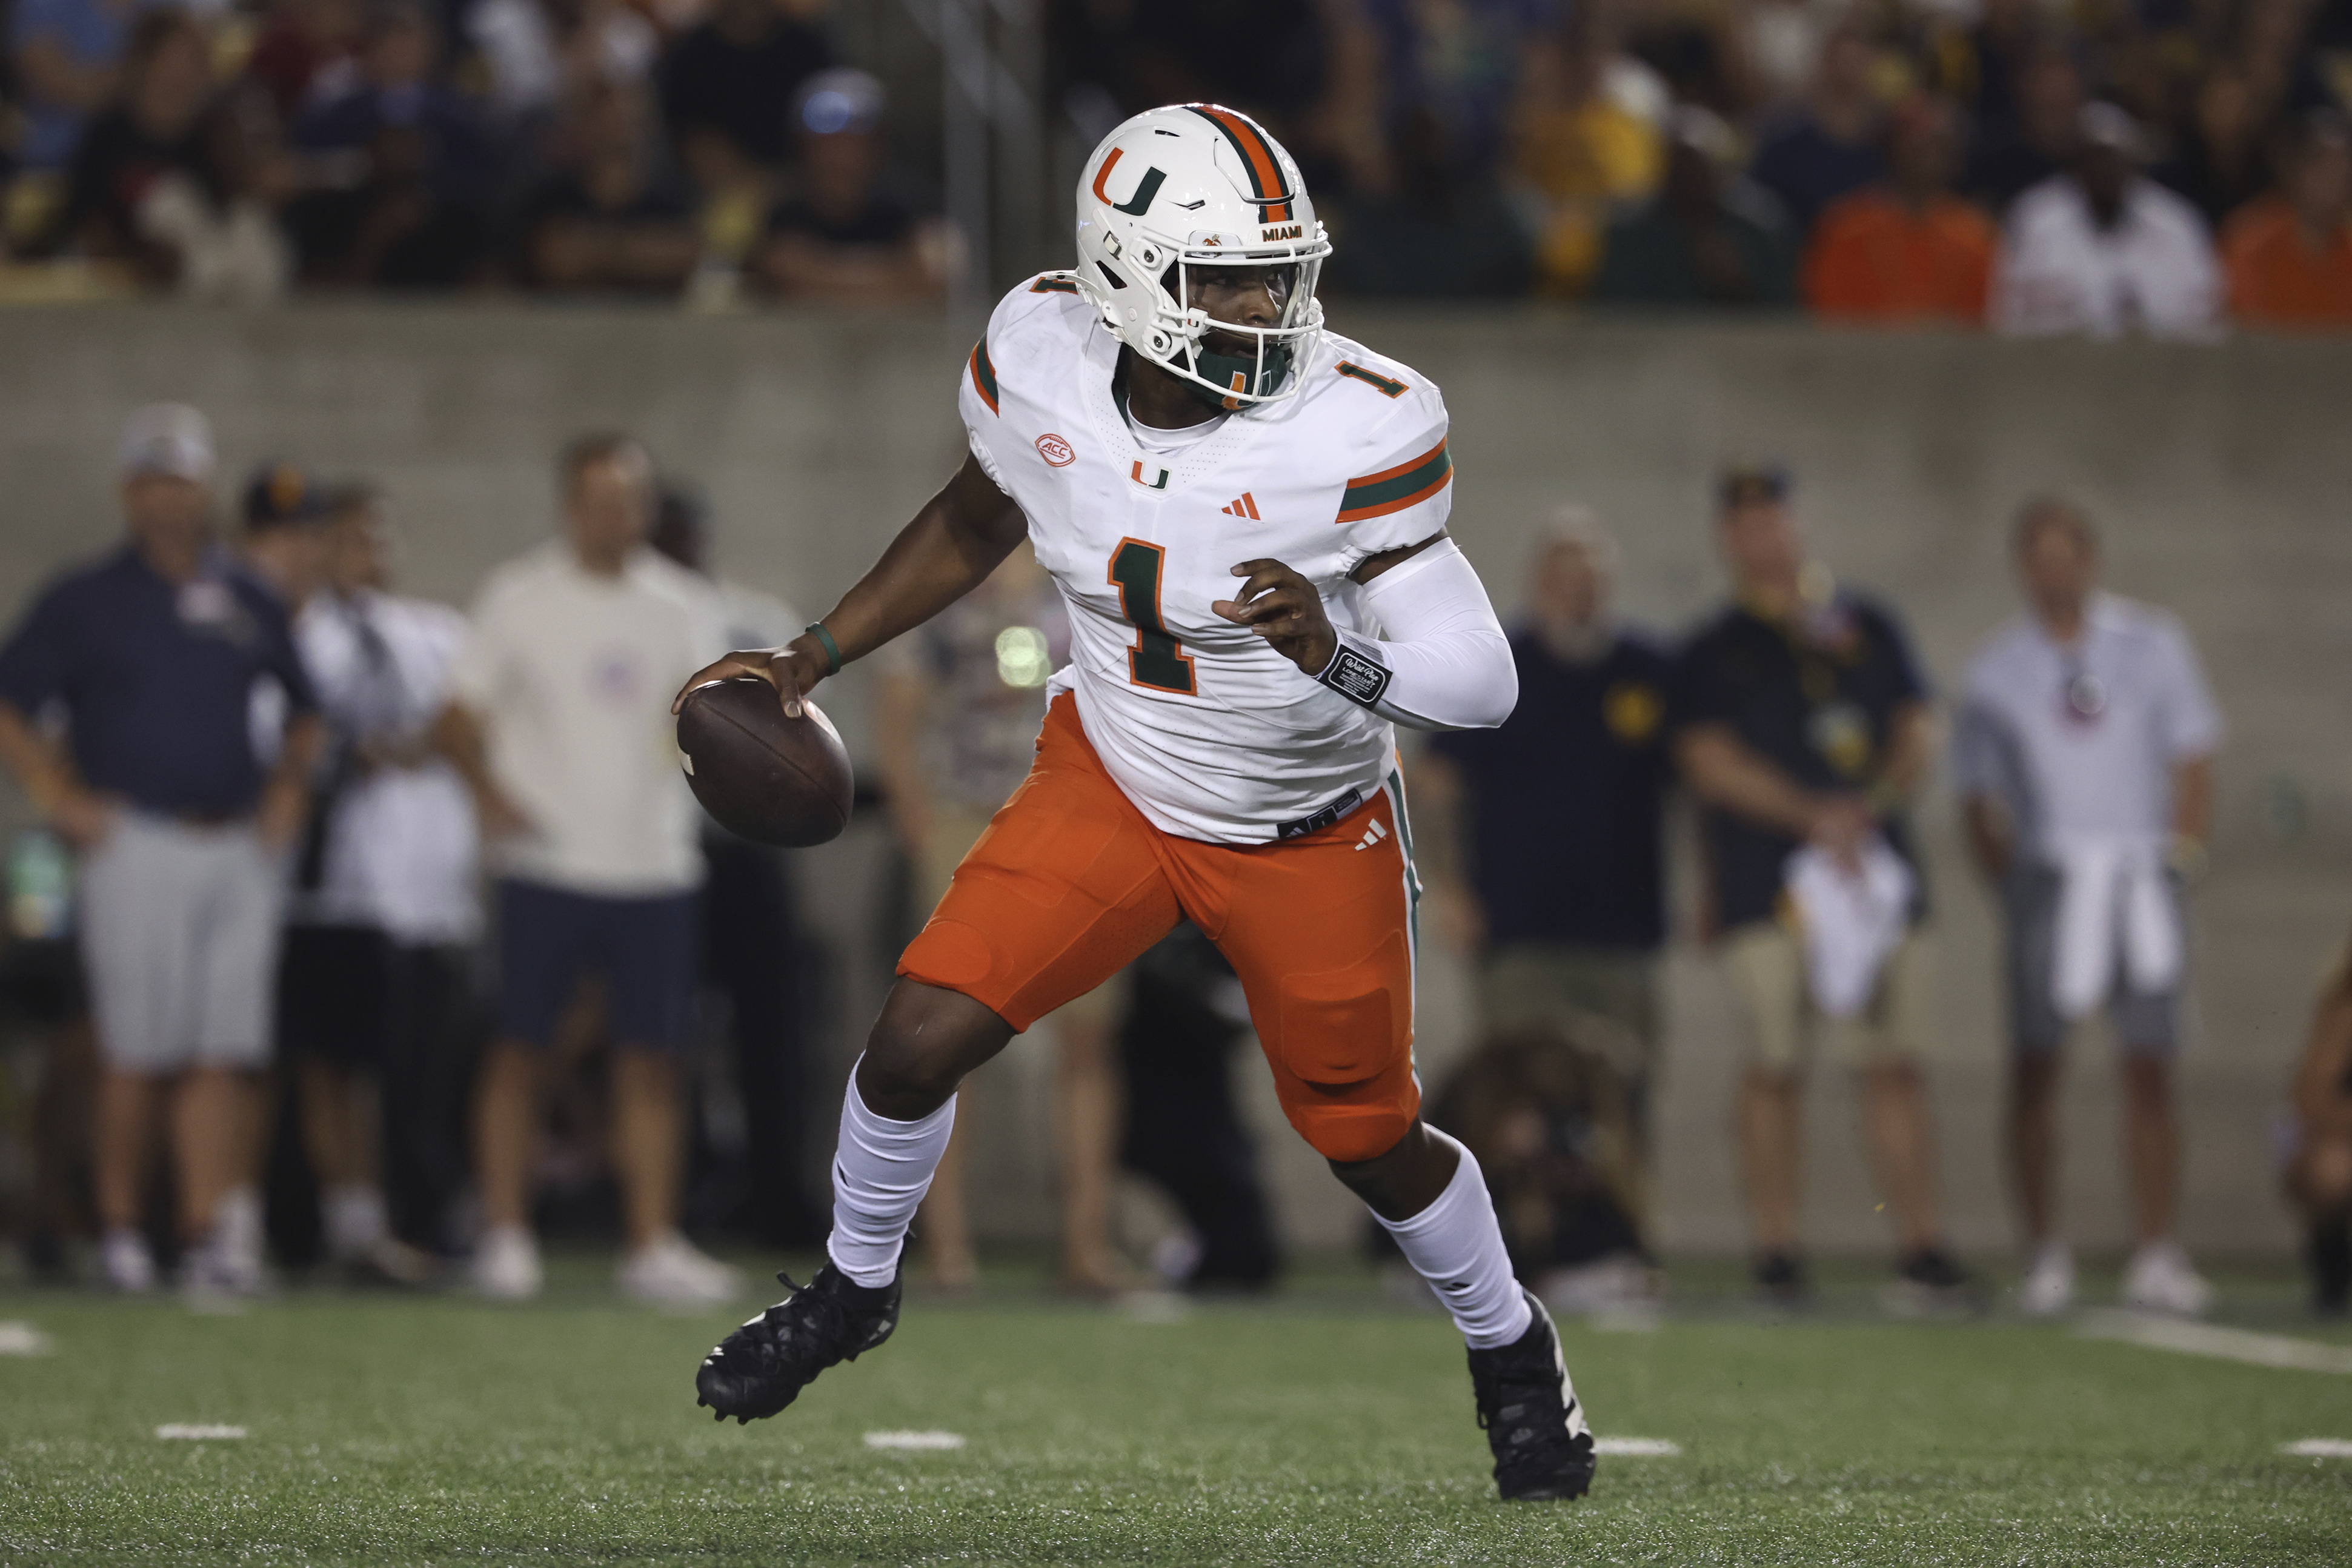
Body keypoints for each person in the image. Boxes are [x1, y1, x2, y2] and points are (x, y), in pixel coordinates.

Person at [686, 104, 1598, 1504]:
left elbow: (1481, 680)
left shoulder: (1354, 421)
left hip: (1303, 822)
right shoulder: (1039, 354)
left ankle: (1512, 1346)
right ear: (1125, 273)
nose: (1265, 308)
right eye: (1227, 279)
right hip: (1111, 775)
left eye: (1278, 275)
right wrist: (814, 652)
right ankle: (855, 1286)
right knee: (914, 1037)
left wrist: (1337, 653)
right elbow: (980, 512)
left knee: (1364, 1136)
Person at [0, 404, 321, 1298]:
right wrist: (58, 796)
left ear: (204, 488)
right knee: (135, 1049)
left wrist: (289, 791)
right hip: (134, 838)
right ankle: (120, 1231)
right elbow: (10, 701)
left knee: (222, 1050)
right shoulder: (84, 598)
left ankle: (203, 1228)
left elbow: (306, 709)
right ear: (126, 492)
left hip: (237, 841)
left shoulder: (249, 592)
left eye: (181, 481)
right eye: (151, 481)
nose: (168, 499)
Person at [433, 433, 739, 1306]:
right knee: (522, 1049)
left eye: (630, 501)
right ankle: (506, 1236)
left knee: (653, 1060)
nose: (616, 517)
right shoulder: (518, 596)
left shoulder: (684, 605)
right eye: (599, 501)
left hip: (655, 865)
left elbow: (713, 722)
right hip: (547, 861)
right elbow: (458, 714)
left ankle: (650, 1244)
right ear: (570, 506)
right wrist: (487, 793)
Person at [1668, 464, 1971, 1308]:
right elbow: (1706, 762)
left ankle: (1921, 1246)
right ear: (1726, 538)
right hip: (1766, 882)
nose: (1762, 536)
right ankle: (1776, 1249)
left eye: (1774, 519)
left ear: (1797, 525)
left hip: (1875, 878)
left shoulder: (1865, 622)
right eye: (1745, 524)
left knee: (1894, 1060)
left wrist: (1868, 806)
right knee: (1774, 1059)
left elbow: (1919, 725)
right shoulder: (1712, 645)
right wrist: (1811, 815)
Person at [1953, 498, 2222, 1318]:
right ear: (2021, 567)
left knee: (2149, 1065)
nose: (2054, 573)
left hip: (2140, 872)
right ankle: (2043, 1252)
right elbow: (1976, 793)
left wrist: (2179, 857)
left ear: (2092, 560)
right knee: (2035, 1065)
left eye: (2066, 555)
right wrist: (2013, 881)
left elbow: (2193, 757)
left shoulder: (2152, 644)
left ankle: (2156, 1250)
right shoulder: (1996, 669)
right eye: (2039, 558)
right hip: (2051, 876)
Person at [874, 546, 1128, 1295]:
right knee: (948, 1037)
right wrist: (920, 818)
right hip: (968, 819)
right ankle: (948, 1248)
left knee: (1087, 1040)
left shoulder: (1089, 582)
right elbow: (899, 705)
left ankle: (1086, 1245)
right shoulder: (944, 585)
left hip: (1077, 825)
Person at [1415, 510, 1673, 1155]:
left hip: (1621, 928)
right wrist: (1450, 889)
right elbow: (1438, 784)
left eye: (1590, 578)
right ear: (1537, 582)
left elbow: (1691, 780)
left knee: (1622, 1097)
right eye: (1564, 578)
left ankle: (1620, 1214)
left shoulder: (1647, 670)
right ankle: (1518, 1217)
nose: (1577, 591)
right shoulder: (1498, 667)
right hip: (1518, 929)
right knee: (1517, 1097)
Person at [284, 484, 477, 1278]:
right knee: (335, 1060)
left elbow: (466, 724)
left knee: (421, 1069)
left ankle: (421, 1216)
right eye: (350, 538)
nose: (369, 554)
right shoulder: (300, 635)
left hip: (428, 894)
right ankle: (349, 1218)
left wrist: (416, 743)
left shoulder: (437, 632)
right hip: (336, 883)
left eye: (377, 537)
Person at [1991, 102, 2221, 340]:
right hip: (2057, 361)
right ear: (2076, 161)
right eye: (2093, 157)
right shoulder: (2034, 219)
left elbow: (2209, 323)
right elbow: (2006, 318)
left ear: (2131, 160)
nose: (2103, 168)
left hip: (2162, 361)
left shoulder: (2177, 223)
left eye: (2111, 157)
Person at [755, 69, 949, 305]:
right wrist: (893, 272)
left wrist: (818, 273)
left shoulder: (915, 203)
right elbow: (781, 270)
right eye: (827, 144)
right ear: (803, 148)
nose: (839, 158)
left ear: (878, 146)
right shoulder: (781, 207)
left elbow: (935, 274)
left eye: (852, 143)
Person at [1803, 95, 1996, 325]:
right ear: (1893, 146)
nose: (1932, 150)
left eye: (1943, 143)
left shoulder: (1975, 234)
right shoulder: (1845, 227)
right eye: (1922, 140)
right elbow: (1829, 316)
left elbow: (1981, 321)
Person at [1592, 107, 1799, 308]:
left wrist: (1738, 284)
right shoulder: (1631, 235)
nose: (1687, 178)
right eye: (1678, 166)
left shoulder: (1760, 227)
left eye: (1695, 165)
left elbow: (1780, 305)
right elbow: (1620, 304)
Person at [1749, 24, 1886, 237]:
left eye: (1858, 60)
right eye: (1842, 61)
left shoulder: (1887, 138)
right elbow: (1762, 204)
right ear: (1825, 63)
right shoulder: (1786, 134)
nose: (1849, 70)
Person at [2221, 111, 2352, 329]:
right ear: (2294, 169)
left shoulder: (2348, 248)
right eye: (2322, 164)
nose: (2336, 177)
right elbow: (2242, 327)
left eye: (2343, 165)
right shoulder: (2251, 240)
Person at [2285, 930, 2352, 1317]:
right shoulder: (2342, 1010)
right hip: (2334, 1144)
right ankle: (2333, 1263)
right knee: (2332, 1169)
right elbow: (2310, 1100)